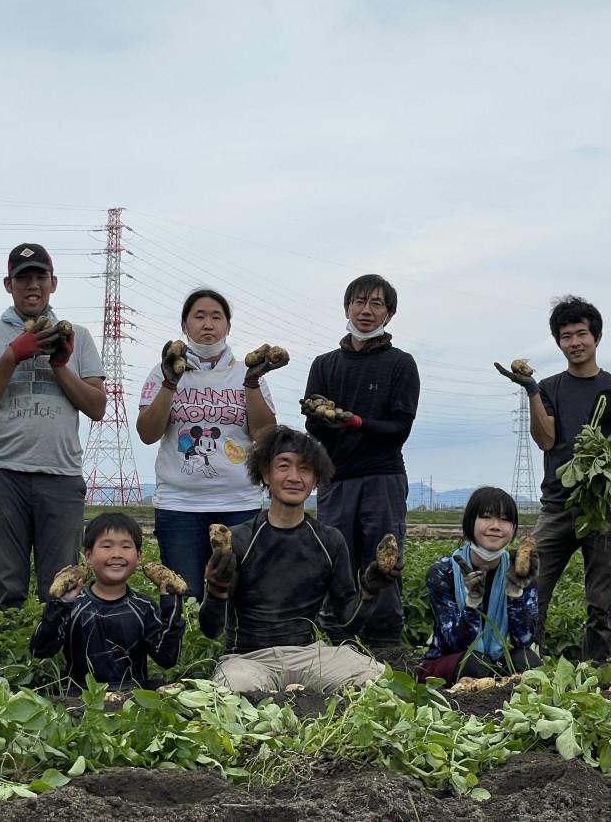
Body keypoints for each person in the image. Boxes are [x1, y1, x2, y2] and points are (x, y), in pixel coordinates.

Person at [494, 295, 611, 663]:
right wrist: (530, 391)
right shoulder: (550, 388)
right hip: (557, 506)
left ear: (596, 337)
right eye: (565, 336)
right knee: (527, 584)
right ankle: (524, 662)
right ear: (558, 342)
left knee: (601, 599)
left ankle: (597, 670)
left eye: (581, 334)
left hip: (601, 509)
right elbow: (546, 439)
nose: (574, 343)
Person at [199, 426, 397, 694]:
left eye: (304, 469)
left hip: (308, 655)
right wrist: (216, 589)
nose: (294, 477)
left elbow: (348, 623)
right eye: (283, 466)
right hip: (248, 658)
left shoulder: (329, 541)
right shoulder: (239, 539)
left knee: (378, 678)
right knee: (236, 687)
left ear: (316, 479)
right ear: (266, 474)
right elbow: (212, 629)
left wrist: (369, 593)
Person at [0, 244, 106, 608]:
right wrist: (13, 354)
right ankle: (8, 661)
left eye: (40, 277)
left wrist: (60, 365)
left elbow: (96, 407)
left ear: (53, 283)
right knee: (7, 585)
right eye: (22, 277)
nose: (32, 285)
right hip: (1, 473)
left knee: (61, 589)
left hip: (60, 472)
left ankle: (56, 661)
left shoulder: (79, 337)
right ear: (7, 284)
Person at [136, 289, 279, 599]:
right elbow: (147, 433)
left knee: (240, 595)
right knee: (185, 596)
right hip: (180, 506)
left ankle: (238, 649)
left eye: (216, 316)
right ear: (184, 325)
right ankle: (192, 648)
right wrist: (168, 383)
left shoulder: (246, 373)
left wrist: (252, 383)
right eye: (198, 316)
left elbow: (266, 435)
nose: (208, 324)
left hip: (239, 503)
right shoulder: (162, 372)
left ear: (228, 326)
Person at [302, 274, 420, 647]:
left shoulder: (400, 364)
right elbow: (312, 424)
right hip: (335, 478)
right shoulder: (325, 364)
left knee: (383, 558)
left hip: (382, 477)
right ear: (347, 307)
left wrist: (355, 422)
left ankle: (386, 641)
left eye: (376, 304)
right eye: (359, 302)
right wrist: (322, 418)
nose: (366, 311)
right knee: (335, 558)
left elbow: (399, 428)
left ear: (390, 314)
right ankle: (338, 637)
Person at [30, 512, 185, 689]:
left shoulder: (145, 607)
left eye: (126, 547)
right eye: (106, 546)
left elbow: (167, 658)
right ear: (88, 555)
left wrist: (171, 607)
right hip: (81, 696)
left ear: (138, 556)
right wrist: (59, 604)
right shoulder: (73, 605)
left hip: (133, 697)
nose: (117, 554)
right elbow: (40, 650)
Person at [417, 487, 540, 683]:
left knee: (528, 662)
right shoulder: (443, 571)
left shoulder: (519, 571)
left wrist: (516, 592)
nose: (496, 526)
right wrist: (472, 602)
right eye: (486, 517)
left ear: (514, 528)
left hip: (493, 660)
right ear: (470, 522)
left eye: (505, 520)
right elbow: (455, 642)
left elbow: (523, 641)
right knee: (475, 664)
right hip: (448, 662)